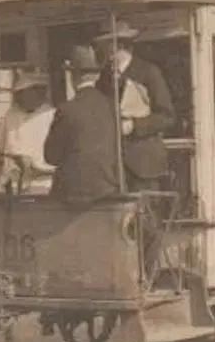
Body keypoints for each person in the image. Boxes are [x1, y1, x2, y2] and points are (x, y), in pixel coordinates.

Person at [91, 21, 177, 192]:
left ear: (121, 46)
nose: (105, 53)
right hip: (113, 166)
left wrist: (134, 125)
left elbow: (167, 117)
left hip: (144, 165)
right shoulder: (104, 79)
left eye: (107, 47)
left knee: (146, 215)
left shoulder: (149, 72)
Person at [43, 45, 122, 206]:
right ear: (97, 75)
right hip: (106, 189)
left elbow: (51, 156)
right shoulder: (111, 106)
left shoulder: (67, 109)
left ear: (73, 75)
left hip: (72, 193)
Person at [0, 70, 56, 193]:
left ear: (38, 92)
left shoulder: (52, 116)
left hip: (43, 186)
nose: (19, 98)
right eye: (19, 94)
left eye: (24, 93)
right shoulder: (11, 115)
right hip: (12, 186)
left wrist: (37, 169)